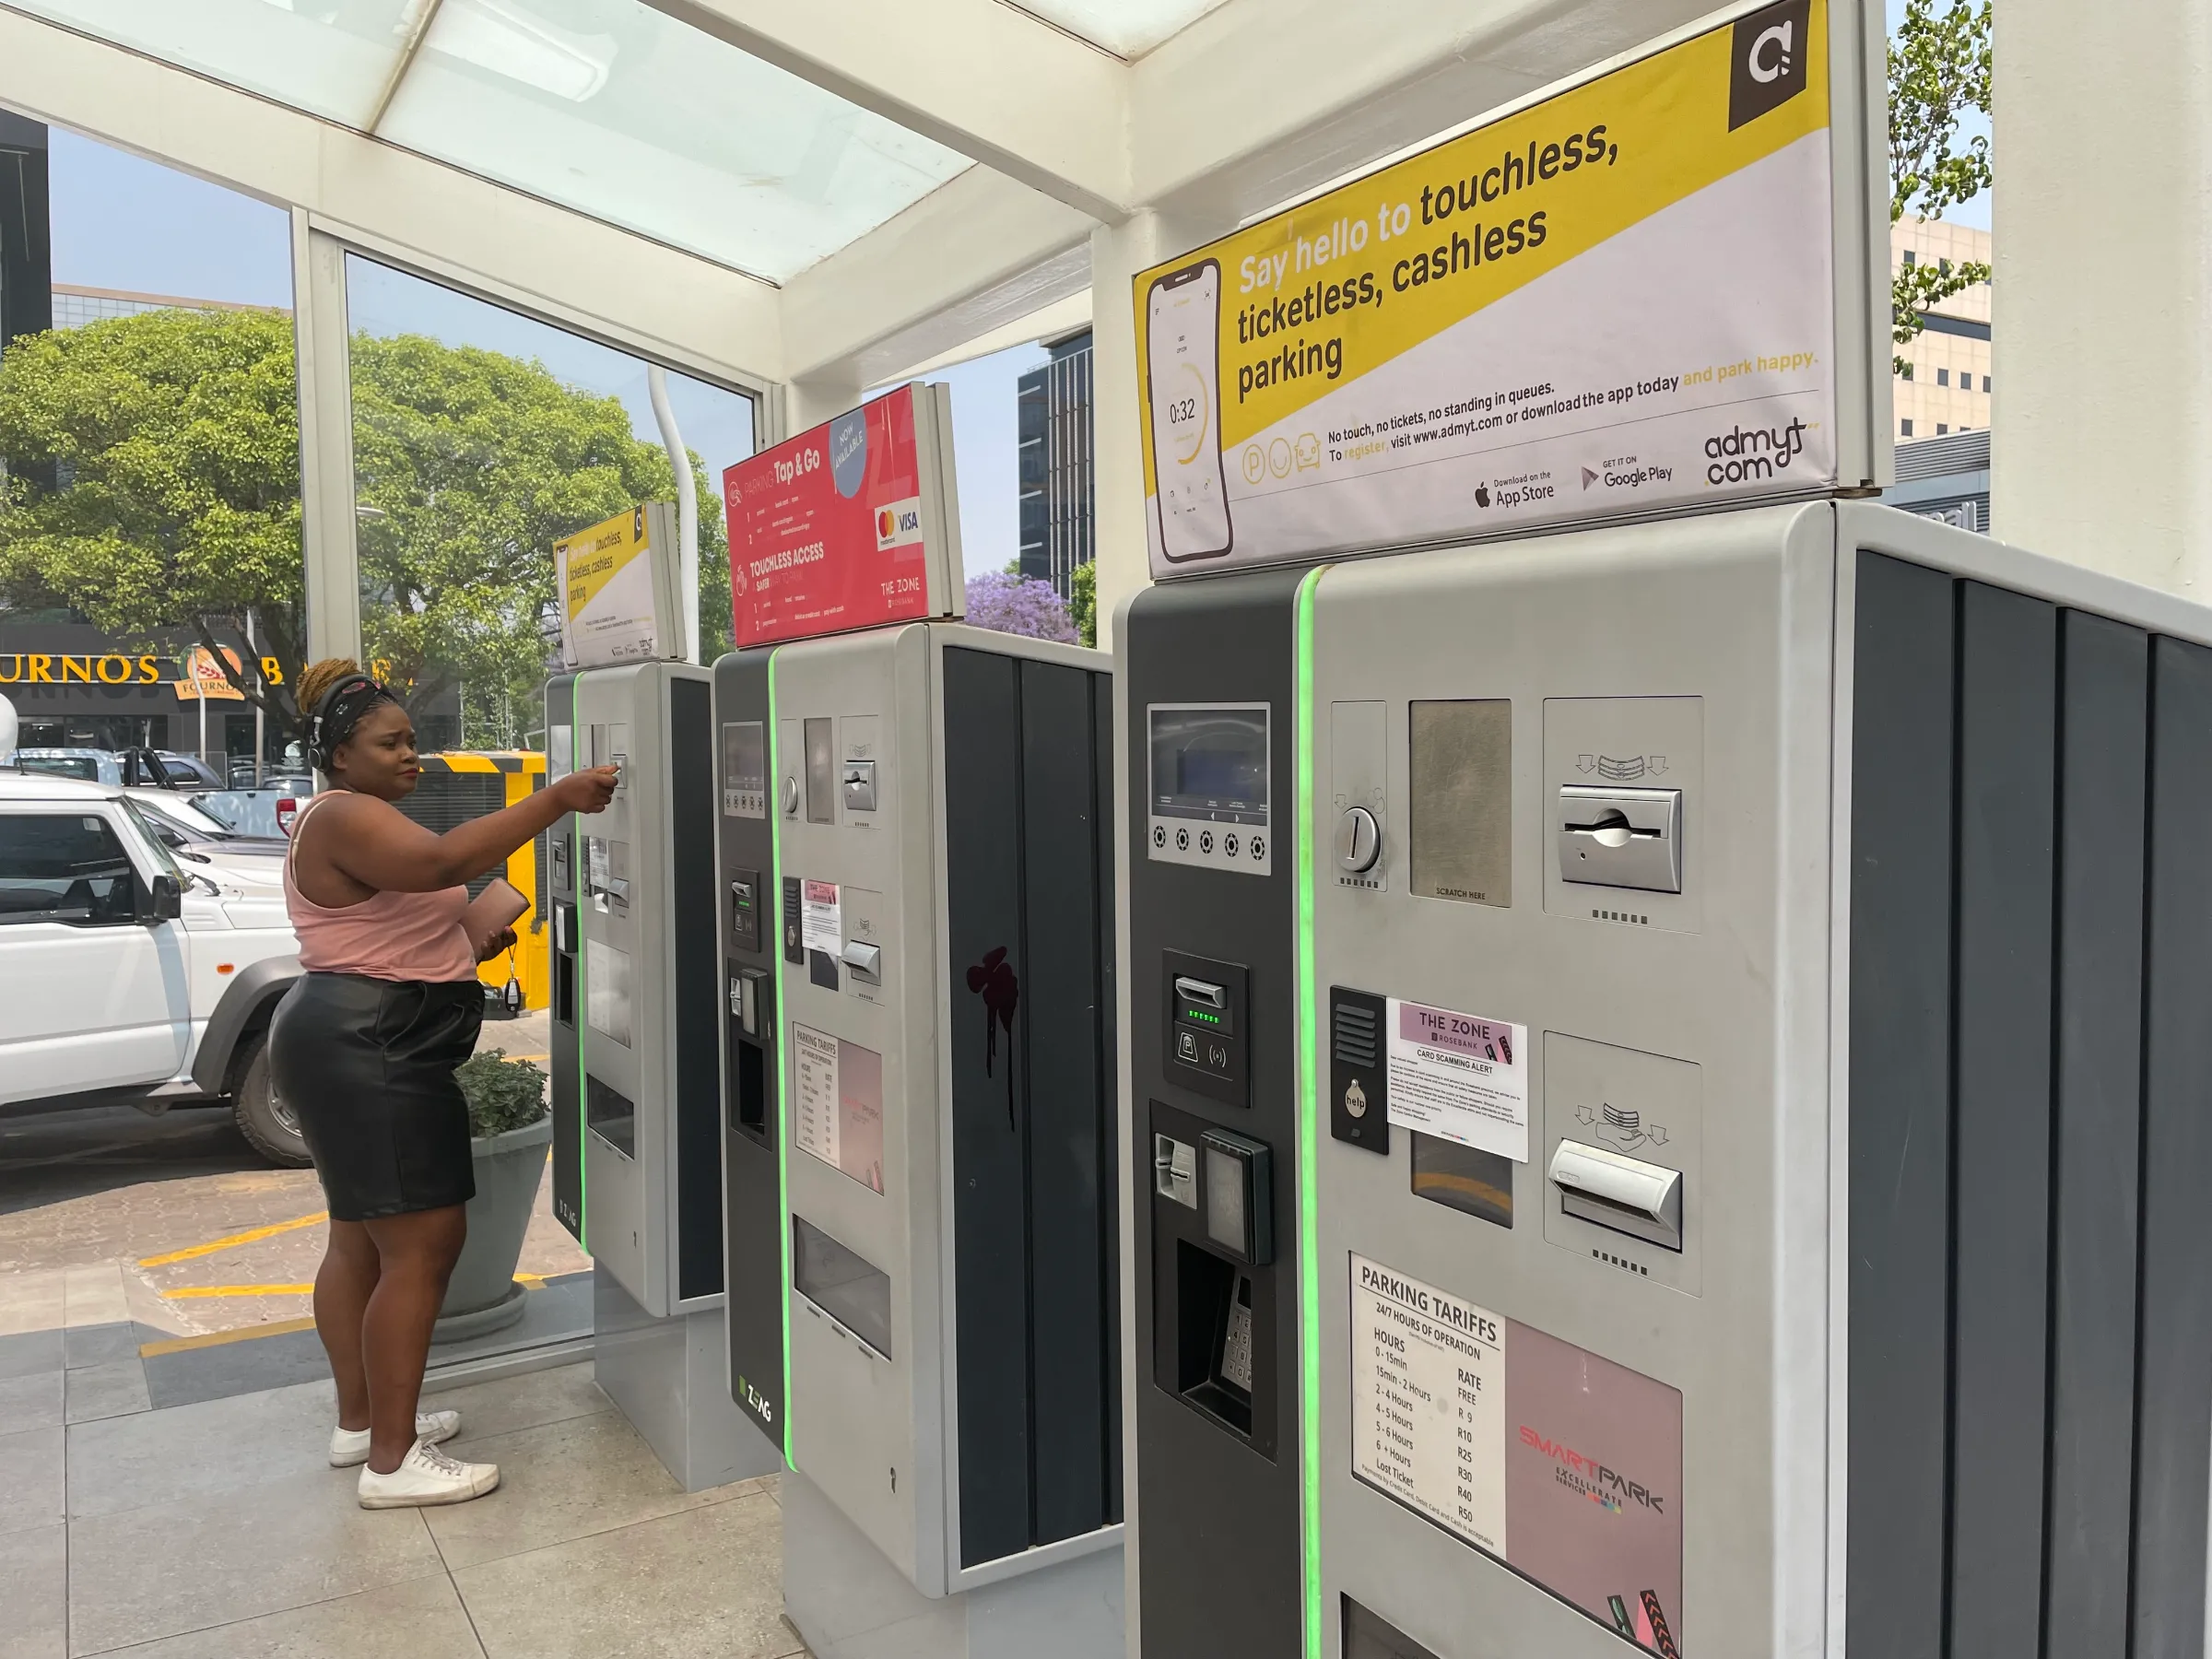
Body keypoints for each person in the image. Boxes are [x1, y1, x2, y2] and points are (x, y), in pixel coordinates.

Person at [270, 658, 617, 1508]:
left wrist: (474, 933)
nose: (410, 756)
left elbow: (401, 926)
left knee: (360, 1240)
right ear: (339, 754)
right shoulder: (346, 815)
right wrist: (555, 799)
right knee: (424, 1249)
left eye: (414, 741)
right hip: (373, 1049)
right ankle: (394, 1464)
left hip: (349, 1036)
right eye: (389, 743)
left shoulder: (350, 817)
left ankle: (364, 1426)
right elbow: (436, 864)